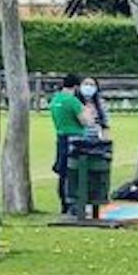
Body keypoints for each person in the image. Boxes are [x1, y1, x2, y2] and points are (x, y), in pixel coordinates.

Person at [64, 76, 114, 219]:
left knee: (94, 175)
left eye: (92, 84)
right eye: (86, 84)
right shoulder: (74, 102)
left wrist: (105, 142)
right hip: (76, 140)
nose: (88, 87)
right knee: (75, 174)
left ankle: (94, 203)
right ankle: (74, 206)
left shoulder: (100, 104)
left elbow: (105, 124)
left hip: (95, 141)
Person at [48, 74, 87, 216]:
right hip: (75, 138)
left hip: (60, 136)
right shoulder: (72, 101)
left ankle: (63, 203)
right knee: (74, 171)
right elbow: (85, 121)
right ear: (76, 87)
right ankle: (73, 203)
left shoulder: (55, 99)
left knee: (62, 171)